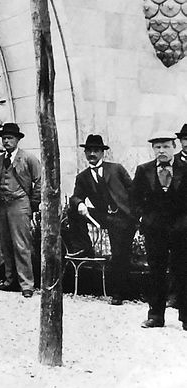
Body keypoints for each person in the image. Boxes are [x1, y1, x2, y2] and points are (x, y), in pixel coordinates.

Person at [69, 134, 137, 305]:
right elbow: (75, 196)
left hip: (122, 217)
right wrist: (80, 204)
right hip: (102, 216)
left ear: (102, 153)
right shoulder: (83, 177)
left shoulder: (116, 169)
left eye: (96, 150)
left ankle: (119, 293)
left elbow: (133, 191)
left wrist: (136, 216)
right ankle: (84, 248)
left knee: (120, 254)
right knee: (72, 211)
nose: (92, 154)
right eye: (89, 151)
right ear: (85, 153)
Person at [130, 132, 187, 329]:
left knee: (183, 271)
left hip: (181, 231)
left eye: (165, 146)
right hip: (155, 231)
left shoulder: (185, 168)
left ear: (174, 147)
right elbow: (134, 198)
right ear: (153, 149)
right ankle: (155, 316)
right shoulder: (143, 170)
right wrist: (143, 218)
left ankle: (186, 317)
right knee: (156, 272)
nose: (161, 151)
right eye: (157, 147)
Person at [0, 122, 42, 298]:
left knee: (21, 245)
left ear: (17, 140)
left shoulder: (28, 158)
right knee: (6, 244)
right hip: (2, 205)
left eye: (10, 138)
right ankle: (10, 281)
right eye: (4, 138)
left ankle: (27, 285)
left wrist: (33, 203)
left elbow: (40, 181)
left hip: (20, 204)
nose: (6, 141)